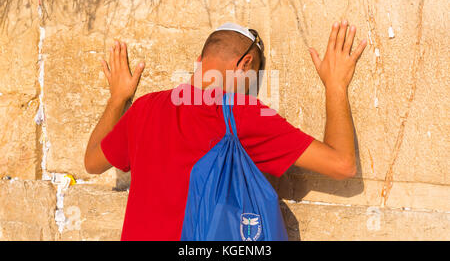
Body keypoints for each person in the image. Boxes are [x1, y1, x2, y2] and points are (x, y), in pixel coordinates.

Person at [84, 20, 367, 240]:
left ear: (199, 61)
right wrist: (335, 85)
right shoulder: (244, 113)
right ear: (245, 64)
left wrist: (117, 98)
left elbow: (93, 162)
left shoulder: (144, 108)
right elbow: (342, 165)